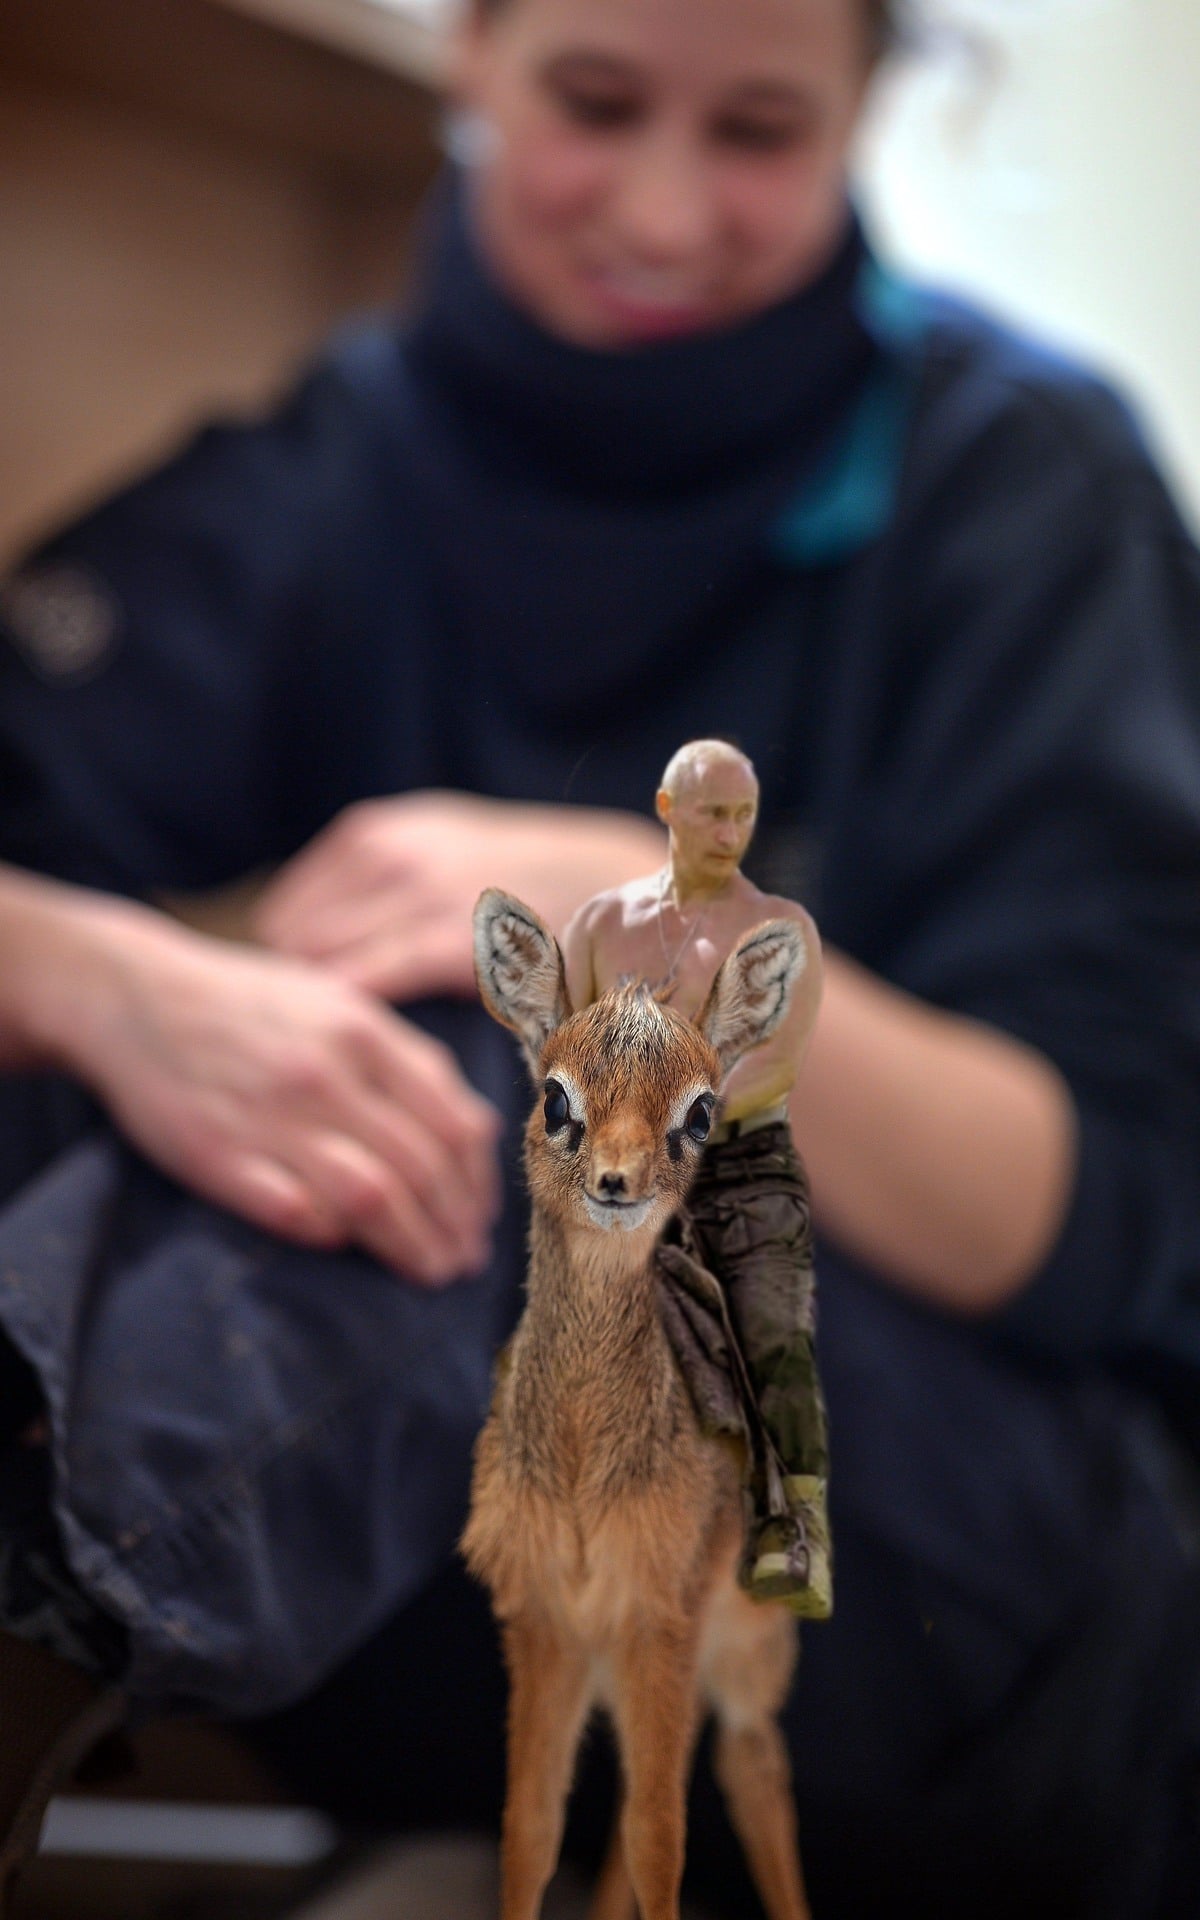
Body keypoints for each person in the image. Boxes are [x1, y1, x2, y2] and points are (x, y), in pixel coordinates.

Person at [1, 0, 1199, 1910]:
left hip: (957, 1592)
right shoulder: (334, 464)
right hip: (467, 1568)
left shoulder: (1025, 485)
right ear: (471, 51)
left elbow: (1097, 1214)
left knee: (557, 1064)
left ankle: (39, 1593)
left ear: (868, 109)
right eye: (594, 102)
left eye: (756, 135)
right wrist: (105, 980)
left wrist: (644, 912)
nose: (660, 205)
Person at [562, 738, 834, 1617]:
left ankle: (797, 1532)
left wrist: (670, 1092)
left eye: (744, 815)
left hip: (740, 1160)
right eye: (713, 812)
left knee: (774, 1342)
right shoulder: (604, 923)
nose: (731, 831)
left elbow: (777, 1063)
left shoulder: (780, 930)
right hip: (628, 1158)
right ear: (668, 810)